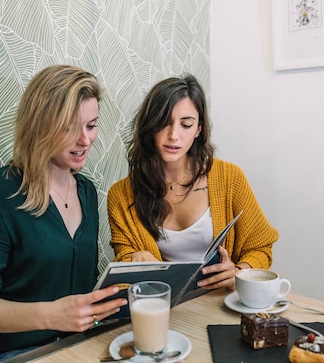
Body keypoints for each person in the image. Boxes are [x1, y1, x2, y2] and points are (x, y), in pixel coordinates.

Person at [0, 65, 127, 362]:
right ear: (40, 125)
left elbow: (79, 284)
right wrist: (53, 315)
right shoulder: (0, 193)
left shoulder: (87, 192)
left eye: (91, 125)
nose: (84, 140)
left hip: (65, 348)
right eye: (69, 128)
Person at [107, 74, 279, 292]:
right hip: (162, 307)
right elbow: (123, 262)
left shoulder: (230, 178)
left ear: (198, 129)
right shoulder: (121, 195)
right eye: (163, 123)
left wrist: (238, 271)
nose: (173, 135)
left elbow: (261, 247)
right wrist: (134, 258)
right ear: (149, 126)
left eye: (186, 124)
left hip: (221, 303)